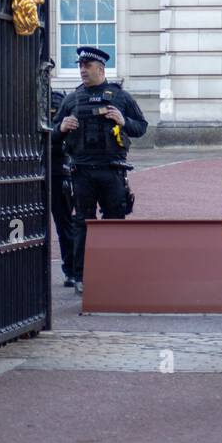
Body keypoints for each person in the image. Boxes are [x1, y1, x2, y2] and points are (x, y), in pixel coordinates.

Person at [53, 46, 147, 294]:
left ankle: (113, 272)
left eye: (87, 66)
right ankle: (79, 275)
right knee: (82, 223)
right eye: (80, 66)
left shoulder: (120, 97)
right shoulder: (72, 99)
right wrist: (61, 127)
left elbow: (141, 128)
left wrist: (124, 121)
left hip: (112, 171)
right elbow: (51, 135)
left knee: (114, 222)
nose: (82, 70)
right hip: (82, 172)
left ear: (101, 69)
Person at [49, 78, 76, 286]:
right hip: (23, 168)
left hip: (57, 168)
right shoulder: (15, 98)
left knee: (64, 222)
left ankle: (72, 268)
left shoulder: (58, 99)